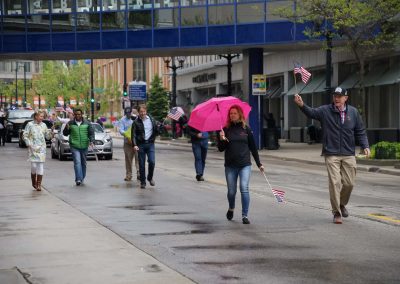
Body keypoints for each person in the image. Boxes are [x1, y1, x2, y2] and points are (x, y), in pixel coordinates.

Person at [294, 87, 370, 224]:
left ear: (345, 98)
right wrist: (301, 105)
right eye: (335, 96)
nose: (336, 98)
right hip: (331, 153)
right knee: (335, 183)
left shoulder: (353, 112)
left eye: (339, 96)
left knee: (349, 183)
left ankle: (341, 204)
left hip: (348, 153)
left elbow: (360, 131)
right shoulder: (325, 111)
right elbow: (311, 112)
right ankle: (336, 212)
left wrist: (365, 146)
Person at [218, 105, 264, 225]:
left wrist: (259, 164)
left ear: (240, 115)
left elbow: (253, 148)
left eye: (234, 113)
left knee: (244, 188)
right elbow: (220, 149)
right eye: (231, 113)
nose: (232, 115)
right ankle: (231, 207)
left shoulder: (246, 129)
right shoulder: (225, 130)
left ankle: (245, 215)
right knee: (231, 191)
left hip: (245, 164)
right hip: (230, 165)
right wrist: (222, 139)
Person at [63, 108, 95, 186]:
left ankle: (82, 177)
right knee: (77, 162)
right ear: (74, 115)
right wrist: (67, 128)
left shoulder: (87, 123)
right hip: (74, 145)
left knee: (83, 163)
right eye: (76, 114)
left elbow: (91, 133)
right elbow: (65, 134)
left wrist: (91, 141)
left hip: (84, 145)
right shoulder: (70, 123)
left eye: (79, 114)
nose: (78, 115)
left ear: (81, 115)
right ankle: (78, 179)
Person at [22, 110, 52, 191]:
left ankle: (39, 184)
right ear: (36, 116)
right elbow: (25, 135)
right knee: (34, 166)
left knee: (40, 165)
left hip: (42, 148)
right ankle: (33, 180)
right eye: (41, 116)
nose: (42, 118)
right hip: (33, 148)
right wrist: (28, 143)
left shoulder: (44, 125)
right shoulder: (30, 124)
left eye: (42, 116)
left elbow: (48, 137)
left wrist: (51, 132)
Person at [131, 104, 158, 189]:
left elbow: (156, 130)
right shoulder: (136, 122)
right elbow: (133, 135)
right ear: (138, 112)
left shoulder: (152, 120)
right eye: (141, 112)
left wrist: (160, 128)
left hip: (150, 144)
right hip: (141, 145)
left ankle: (150, 177)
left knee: (152, 161)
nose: (142, 113)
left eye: (144, 111)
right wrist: (135, 145)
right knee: (141, 164)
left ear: (146, 111)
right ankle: (143, 182)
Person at [118, 107, 139, 181]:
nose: (128, 115)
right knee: (128, 160)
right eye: (126, 114)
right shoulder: (122, 120)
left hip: (136, 142)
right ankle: (128, 175)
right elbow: (121, 130)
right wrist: (127, 135)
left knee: (138, 158)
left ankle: (139, 173)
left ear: (131, 112)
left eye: (129, 113)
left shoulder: (135, 118)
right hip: (128, 142)